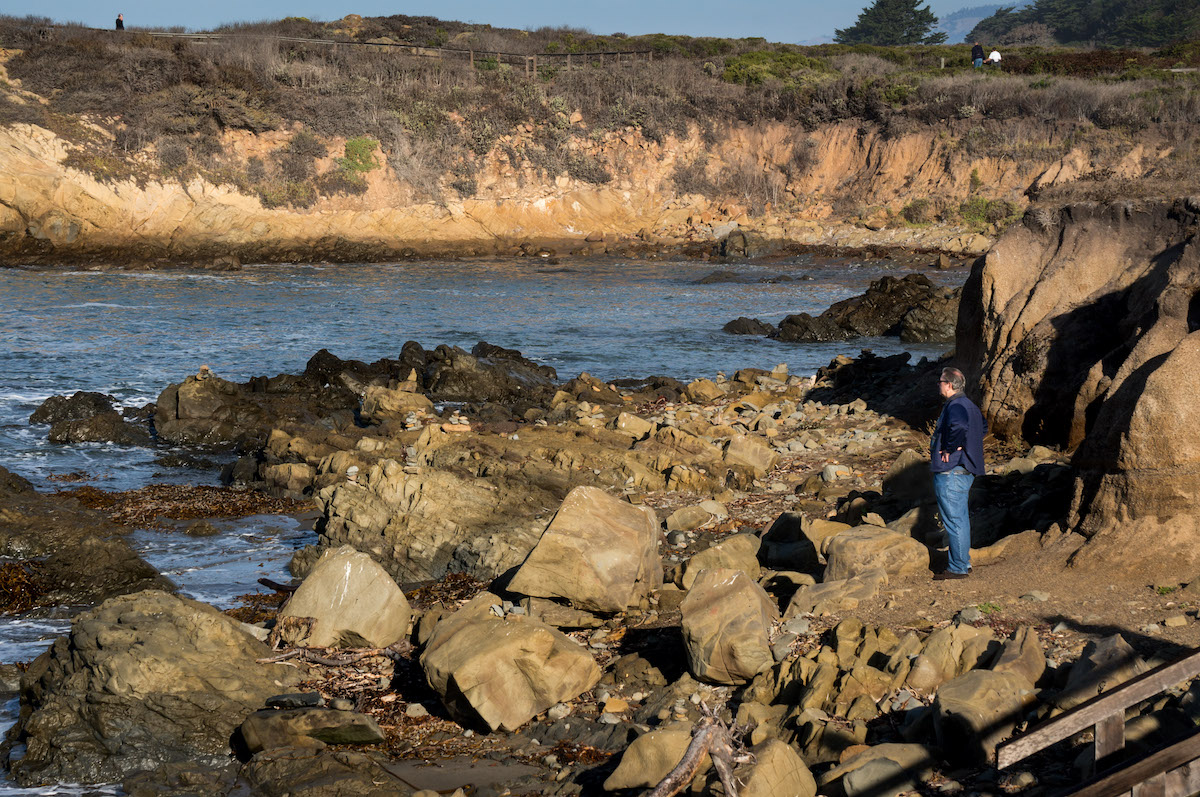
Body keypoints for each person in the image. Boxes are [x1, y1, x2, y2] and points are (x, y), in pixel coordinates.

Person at [930, 366, 986, 580]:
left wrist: (950, 448)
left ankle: (958, 568)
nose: (939, 385)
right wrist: (966, 444)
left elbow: (960, 425)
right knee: (960, 519)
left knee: (954, 521)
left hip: (952, 471)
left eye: (940, 382)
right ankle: (963, 563)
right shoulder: (969, 404)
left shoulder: (955, 405)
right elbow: (982, 427)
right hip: (963, 470)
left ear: (949, 385)